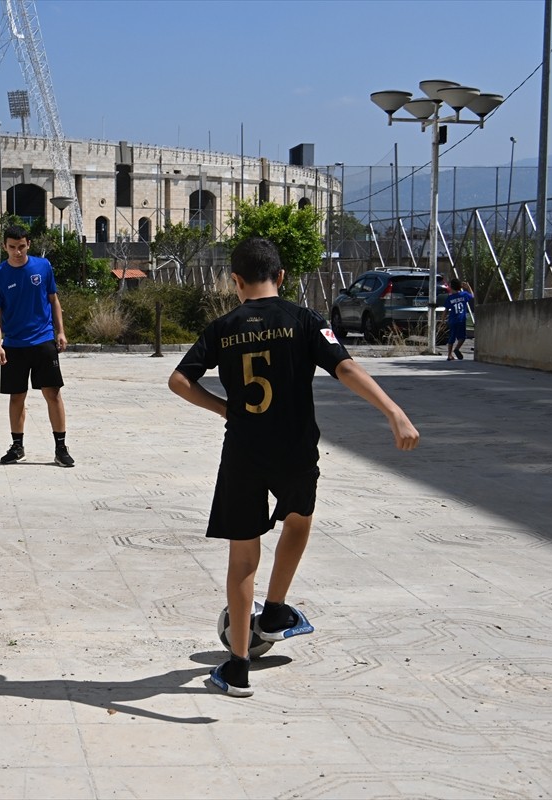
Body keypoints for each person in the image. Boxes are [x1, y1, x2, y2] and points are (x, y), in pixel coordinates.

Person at [168, 237, 419, 697]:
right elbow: (344, 368)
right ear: (281, 277)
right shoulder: (305, 320)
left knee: (244, 557)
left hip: (244, 451)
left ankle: (238, 667)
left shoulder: (222, 329)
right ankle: (278, 607)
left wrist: (226, 409)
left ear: (236, 281)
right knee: (298, 518)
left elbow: (179, 381)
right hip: (296, 449)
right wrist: (393, 411)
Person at [0, 224, 74, 467]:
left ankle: (60, 447)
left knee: (53, 393)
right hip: (14, 344)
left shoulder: (43, 267)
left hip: (43, 340)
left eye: (21, 247)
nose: (17, 252)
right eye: (12, 247)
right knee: (17, 397)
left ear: (29, 245)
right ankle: (17, 446)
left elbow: (53, 300)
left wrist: (61, 332)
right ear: (4, 246)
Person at [444, 278, 475, 361]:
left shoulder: (450, 298)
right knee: (462, 337)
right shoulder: (464, 294)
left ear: (451, 286)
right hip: (461, 320)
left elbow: (446, 310)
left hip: (452, 320)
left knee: (451, 338)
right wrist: (468, 288)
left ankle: (449, 355)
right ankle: (457, 348)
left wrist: (443, 320)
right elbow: (472, 295)